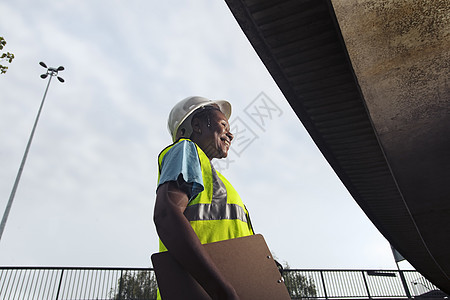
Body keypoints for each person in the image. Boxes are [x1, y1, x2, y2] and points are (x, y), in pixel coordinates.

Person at [153, 96, 254, 300]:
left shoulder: (219, 182)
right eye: (223, 124)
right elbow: (166, 214)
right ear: (197, 125)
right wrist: (220, 291)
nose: (231, 133)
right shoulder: (186, 150)